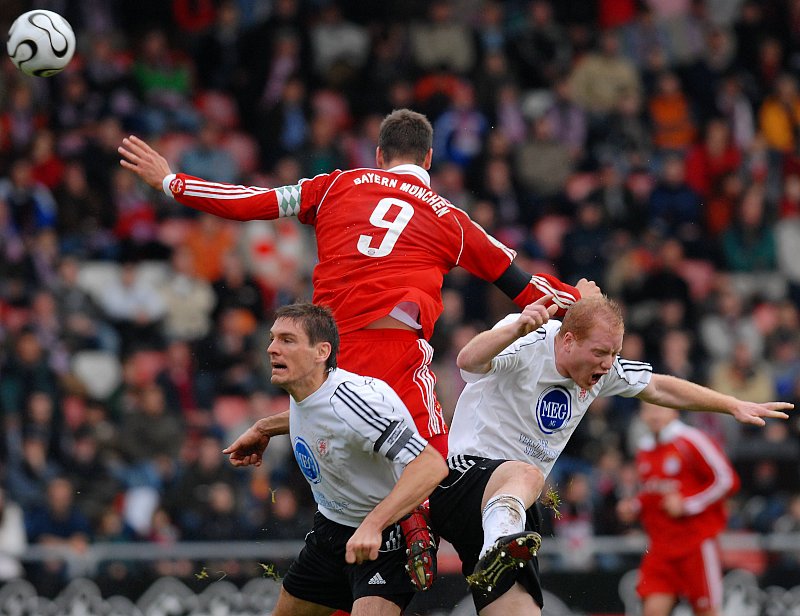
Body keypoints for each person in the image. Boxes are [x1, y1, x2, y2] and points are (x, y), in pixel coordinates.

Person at [118, 108, 599, 587]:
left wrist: (171, 181)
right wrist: (582, 299)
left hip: (328, 356)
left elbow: (250, 202)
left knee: (359, 445)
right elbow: (529, 289)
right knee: (433, 459)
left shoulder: (334, 185)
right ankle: (436, 531)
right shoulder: (451, 220)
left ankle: (388, 531)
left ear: (378, 156)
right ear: (429, 158)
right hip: (394, 347)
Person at [427, 295, 791, 615]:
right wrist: (514, 329)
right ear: (567, 341)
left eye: (615, 353)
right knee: (529, 475)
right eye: (600, 353)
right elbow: (468, 360)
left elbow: (660, 386)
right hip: (463, 480)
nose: (607, 364)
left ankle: (499, 550)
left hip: (510, 510)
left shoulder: (602, 372)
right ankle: (498, 548)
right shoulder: (529, 339)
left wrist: (732, 404)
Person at [223, 302, 447, 616]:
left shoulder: (356, 402)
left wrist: (373, 525)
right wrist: (264, 427)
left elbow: (431, 465)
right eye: (273, 338)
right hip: (330, 532)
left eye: (287, 340)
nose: (272, 348)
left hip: (383, 540)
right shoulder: (308, 391)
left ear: (321, 352)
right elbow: (320, 415)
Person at [616, 402, 740, 616]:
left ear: (674, 410)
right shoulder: (644, 449)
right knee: (652, 611)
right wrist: (634, 506)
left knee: (706, 611)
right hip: (660, 547)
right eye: (648, 409)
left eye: (659, 408)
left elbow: (727, 480)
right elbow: (651, 493)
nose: (654, 415)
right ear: (641, 416)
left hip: (695, 543)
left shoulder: (691, 440)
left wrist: (687, 504)